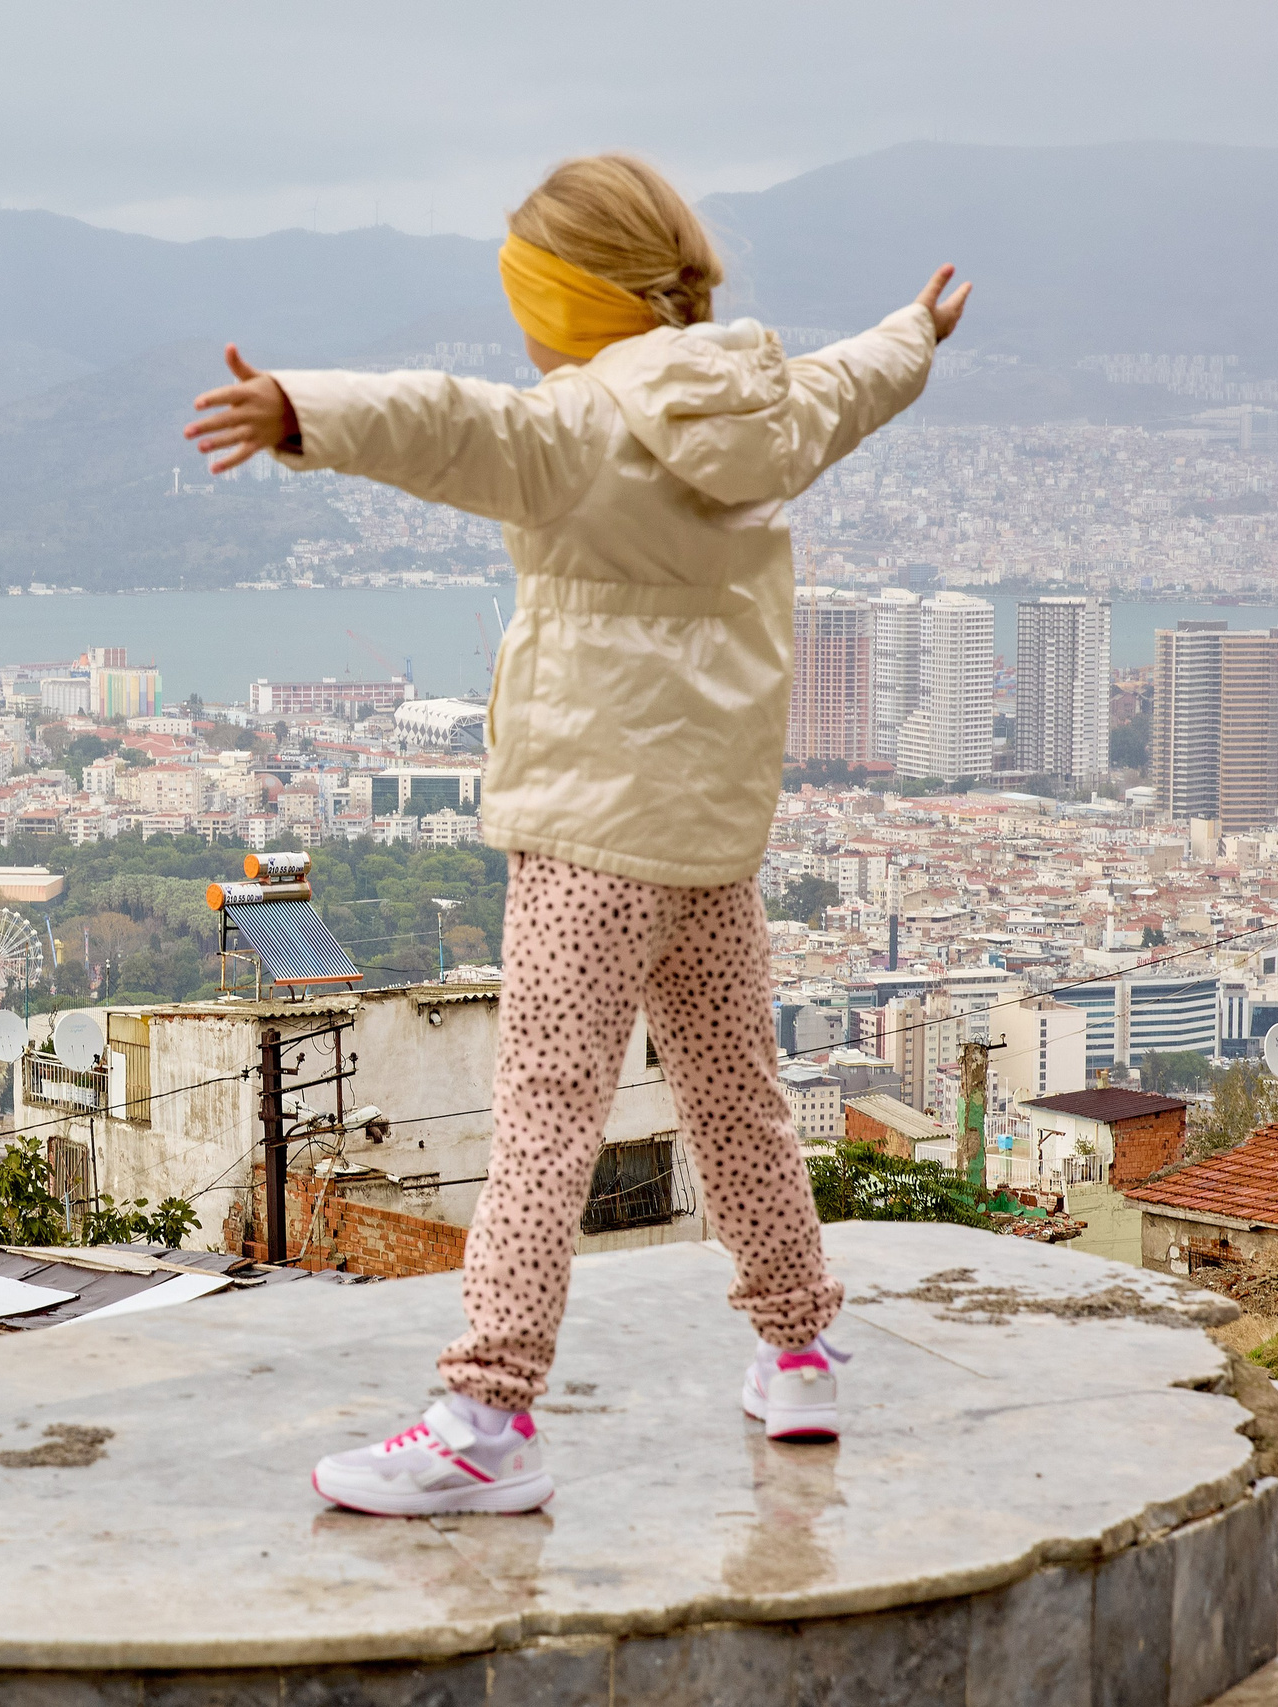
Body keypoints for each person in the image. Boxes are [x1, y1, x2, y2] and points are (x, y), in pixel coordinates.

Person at [184, 154, 970, 1517]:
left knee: (546, 1119)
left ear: (558, 301)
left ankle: (487, 1420)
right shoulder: (763, 405)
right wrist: (917, 329)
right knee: (738, 1097)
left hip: (591, 841)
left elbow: (442, 424)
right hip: (710, 838)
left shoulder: (575, 428)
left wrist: (300, 408)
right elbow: (857, 380)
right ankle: (798, 1354)